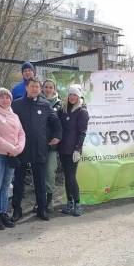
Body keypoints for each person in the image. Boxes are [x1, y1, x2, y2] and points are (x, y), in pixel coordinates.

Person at [11, 77, 62, 221]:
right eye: (32, 86)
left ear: (40, 90)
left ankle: (42, 209)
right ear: (26, 87)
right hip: (21, 149)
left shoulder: (45, 105)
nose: (34, 89)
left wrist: (57, 136)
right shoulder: (16, 105)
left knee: (40, 181)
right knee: (19, 182)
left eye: (37, 87)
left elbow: (56, 122)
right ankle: (17, 210)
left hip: (40, 148)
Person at [0, 88, 25, 230]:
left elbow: (21, 134)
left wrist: (18, 149)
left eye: (7, 97)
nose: (5, 100)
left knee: (6, 187)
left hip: (11, 155)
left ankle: (3, 213)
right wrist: (11, 148)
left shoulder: (14, 116)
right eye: (2, 97)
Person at [58, 84, 89, 216]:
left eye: (75, 95)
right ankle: (69, 203)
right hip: (63, 148)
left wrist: (77, 149)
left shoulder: (82, 111)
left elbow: (82, 132)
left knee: (71, 176)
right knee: (67, 176)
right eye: (70, 94)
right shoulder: (63, 110)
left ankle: (77, 203)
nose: (72, 97)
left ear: (79, 96)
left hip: (73, 150)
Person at [42, 79, 62, 212]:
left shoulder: (60, 105)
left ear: (54, 89)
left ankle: (49, 200)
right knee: (39, 174)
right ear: (42, 89)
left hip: (52, 146)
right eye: (46, 87)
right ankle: (40, 200)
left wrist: (58, 138)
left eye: (51, 87)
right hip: (38, 145)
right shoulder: (37, 102)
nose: (48, 89)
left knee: (49, 172)